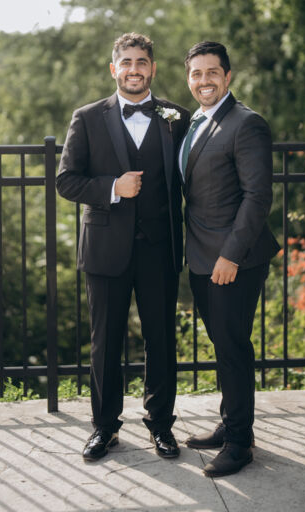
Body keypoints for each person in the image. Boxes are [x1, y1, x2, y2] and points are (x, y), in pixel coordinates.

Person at [56, 33, 189, 462]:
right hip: (105, 248)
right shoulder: (87, 118)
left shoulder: (177, 118)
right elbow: (66, 181)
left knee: (161, 341)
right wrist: (113, 187)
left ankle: (161, 425)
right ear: (114, 69)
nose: (134, 69)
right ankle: (104, 427)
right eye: (126, 62)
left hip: (160, 249)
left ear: (153, 68)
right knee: (105, 343)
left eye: (142, 62)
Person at [180, 40, 280, 478]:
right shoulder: (194, 122)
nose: (204, 81)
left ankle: (240, 443)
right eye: (196, 73)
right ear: (188, 78)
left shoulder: (246, 123)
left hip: (233, 260)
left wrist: (231, 256)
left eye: (212, 72)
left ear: (228, 76)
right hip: (202, 256)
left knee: (234, 347)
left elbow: (257, 197)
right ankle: (230, 422)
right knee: (223, 345)